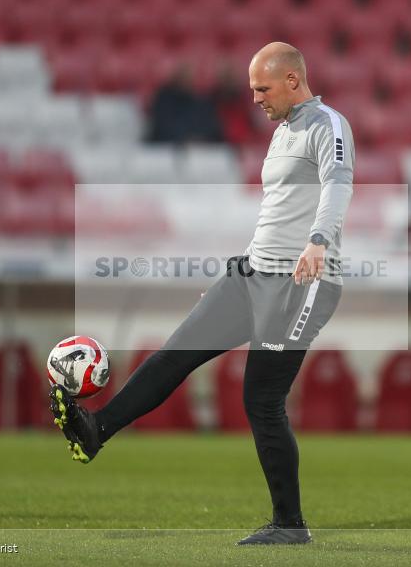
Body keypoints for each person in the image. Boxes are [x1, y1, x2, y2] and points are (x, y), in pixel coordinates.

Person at [50, 42, 355, 545]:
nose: (254, 98)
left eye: (262, 88)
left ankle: (289, 525)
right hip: (253, 274)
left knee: (261, 398)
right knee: (175, 354)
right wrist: (243, 266)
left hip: (304, 283)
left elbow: (339, 182)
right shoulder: (281, 133)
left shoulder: (328, 125)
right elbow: (279, 213)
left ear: (293, 81)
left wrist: (319, 242)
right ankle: (94, 432)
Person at [147, 63, 224, 144]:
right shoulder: (163, 101)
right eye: (184, 76)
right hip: (167, 149)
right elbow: (162, 128)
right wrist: (184, 138)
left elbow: (211, 128)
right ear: (177, 78)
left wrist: (199, 138)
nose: (187, 79)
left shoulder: (201, 102)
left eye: (189, 76)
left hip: (197, 148)